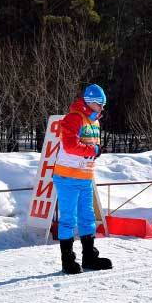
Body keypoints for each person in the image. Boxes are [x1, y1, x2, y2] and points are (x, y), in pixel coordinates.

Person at [52, 84, 113, 275]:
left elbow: (87, 146)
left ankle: (89, 256)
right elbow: (70, 146)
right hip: (67, 176)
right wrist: (93, 150)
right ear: (89, 102)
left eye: (103, 105)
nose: (102, 108)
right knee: (69, 218)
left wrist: (95, 151)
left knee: (88, 217)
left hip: (85, 177)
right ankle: (67, 260)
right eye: (99, 104)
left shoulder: (94, 122)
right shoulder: (74, 118)